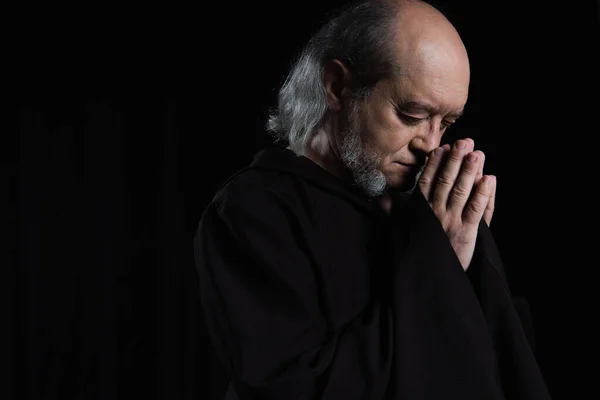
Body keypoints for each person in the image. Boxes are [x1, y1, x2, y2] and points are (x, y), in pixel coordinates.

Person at [193, 0, 552, 398]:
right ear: (337, 87)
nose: (430, 144)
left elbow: (504, 369)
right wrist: (438, 260)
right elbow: (292, 388)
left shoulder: (431, 206)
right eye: (412, 116)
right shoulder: (253, 212)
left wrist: (477, 265)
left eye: (446, 123)